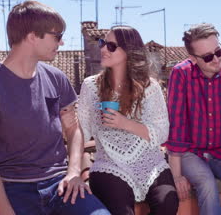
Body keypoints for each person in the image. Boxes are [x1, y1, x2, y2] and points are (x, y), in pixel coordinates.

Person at [0, 0, 110, 215]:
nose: (61, 43)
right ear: (32, 37)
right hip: (14, 189)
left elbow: (73, 129)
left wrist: (74, 172)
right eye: (57, 36)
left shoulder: (57, 78)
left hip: (61, 185)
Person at [76, 25, 179, 215]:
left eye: (111, 46)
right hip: (108, 163)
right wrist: (76, 169)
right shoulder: (91, 86)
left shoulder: (151, 87)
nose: (103, 49)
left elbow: (162, 131)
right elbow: (81, 131)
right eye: (102, 43)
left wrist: (125, 124)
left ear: (129, 51)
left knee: (168, 203)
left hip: (150, 162)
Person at [165, 23, 221, 215]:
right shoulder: (181, 74)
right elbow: (176, 124)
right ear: (192, 58)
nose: (216, 59)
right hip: (189, 151)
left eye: (219, 51)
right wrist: (176, 174)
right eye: (207, 57)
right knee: (206, 183)